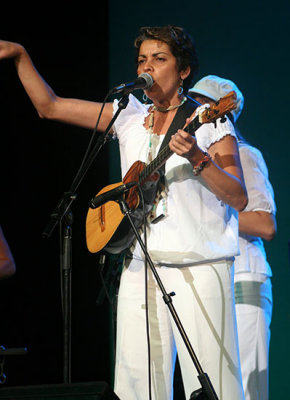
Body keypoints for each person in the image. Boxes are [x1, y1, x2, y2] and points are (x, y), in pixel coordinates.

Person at [0, 26, 248, 400]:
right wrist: (20, 55)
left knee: (218, 381)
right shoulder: (128, 115)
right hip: (140, 266)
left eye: (159, 59)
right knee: (137, 385)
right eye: (141, 60)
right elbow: (49, 106)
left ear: (183, 71)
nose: (147, 66)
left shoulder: (211, 121)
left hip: (202, 264)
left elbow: (239, 197)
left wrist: (198, 158)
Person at [189, 75, 276, 400]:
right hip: (216, 283)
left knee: (248, 392)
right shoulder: (199, 164)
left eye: (202, 103)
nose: (194, 110)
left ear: (221, 112)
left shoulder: (245, 155)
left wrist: (210, 216)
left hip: (245, 281)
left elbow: (265, 225)